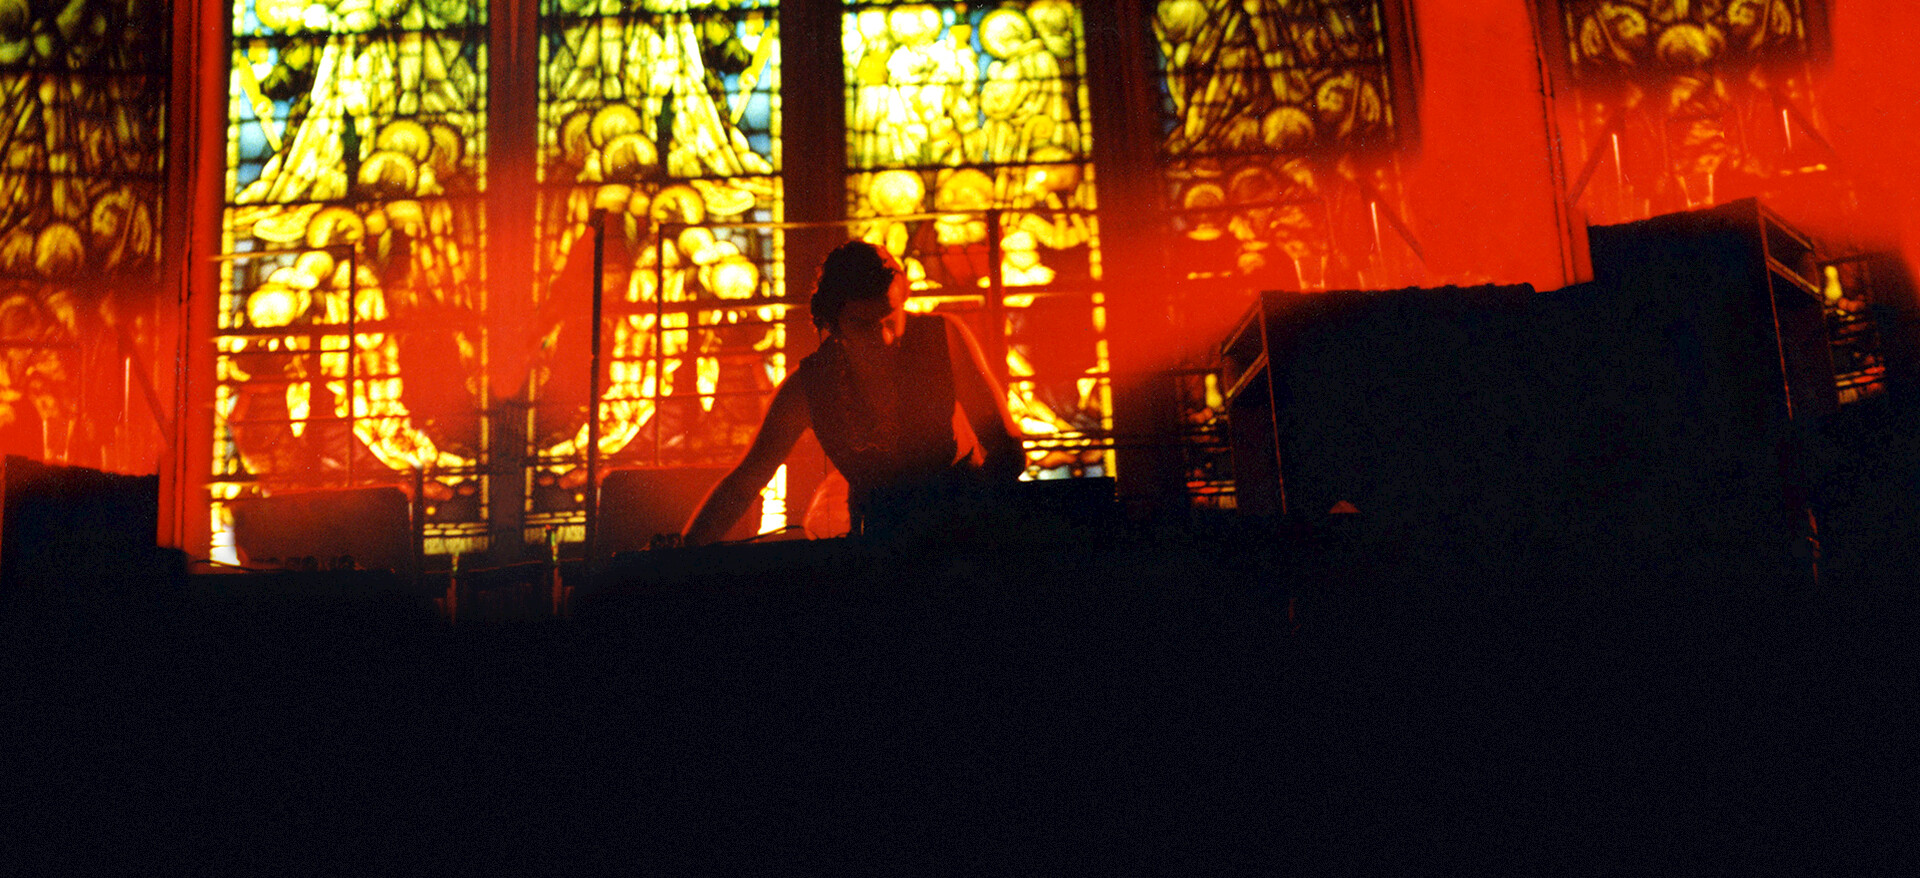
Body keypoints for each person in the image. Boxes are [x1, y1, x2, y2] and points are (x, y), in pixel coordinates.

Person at [682, 240, 1023, 545]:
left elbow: (1006, 447)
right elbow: (745, 482)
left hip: (965, 537)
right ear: (832, 325)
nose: (883, 337)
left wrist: (967, 515)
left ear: (904, 298)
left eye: (890, 318)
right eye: (862, 325)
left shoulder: (941, 338)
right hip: (878, 549)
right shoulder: (810, 388)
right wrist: (685, 552)